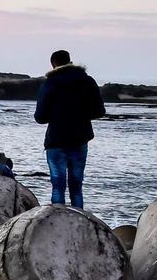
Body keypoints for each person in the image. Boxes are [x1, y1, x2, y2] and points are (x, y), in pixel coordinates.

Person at [34, 49, 106, 209]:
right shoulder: (87, 81)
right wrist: (80, 114)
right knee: (77, 186)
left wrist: (58, 115)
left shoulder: (50, 83)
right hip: (80, 138)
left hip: (56, 140)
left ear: (53, 64)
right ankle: (80, 220)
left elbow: (40, 117)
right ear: (70, 61)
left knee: (58, 185)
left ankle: (58, 222)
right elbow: (100, 111)